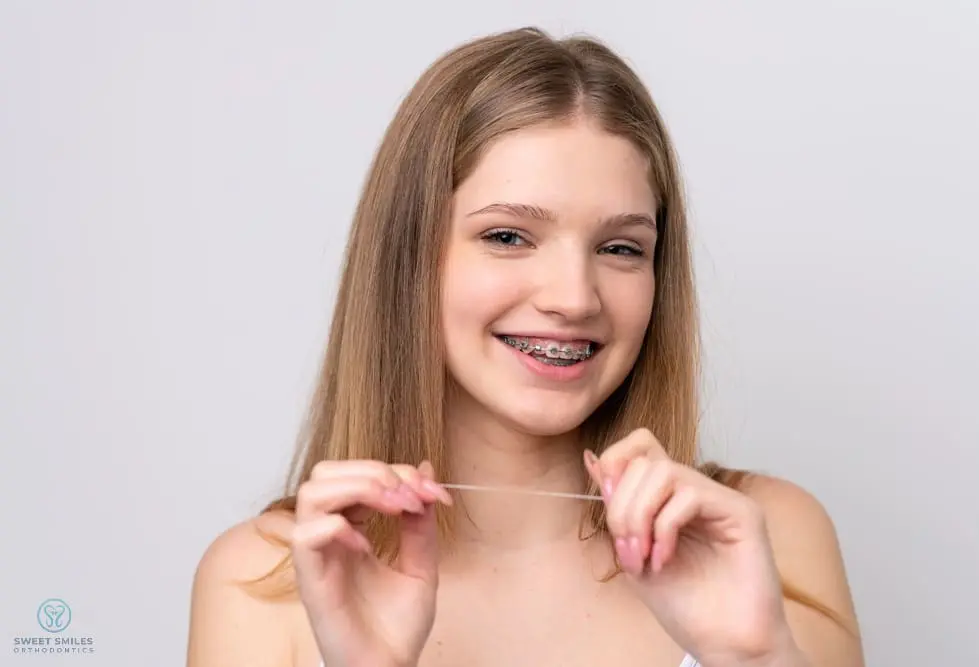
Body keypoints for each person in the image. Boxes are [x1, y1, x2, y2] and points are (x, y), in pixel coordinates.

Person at [186, 26, 864, 667]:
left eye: (621, 248)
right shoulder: (261, 582)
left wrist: (757, 659)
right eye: (508, 236)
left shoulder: (762, 539)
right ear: (407, 261)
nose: (574, 297)